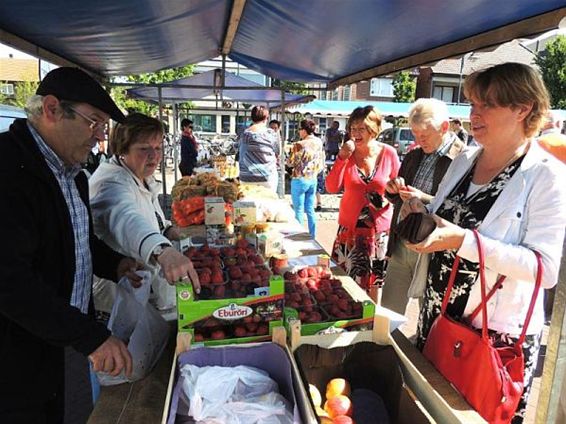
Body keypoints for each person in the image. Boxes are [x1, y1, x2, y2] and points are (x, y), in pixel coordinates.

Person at [403, 63, 566, 423]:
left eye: (487, 104)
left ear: (523, 108)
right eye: (473, 104)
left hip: (489, 337)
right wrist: (421, 209)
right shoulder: (466, 159)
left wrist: (463, 241)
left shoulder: (547, 176)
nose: (474, 114)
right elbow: (450, 213)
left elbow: (545, 269)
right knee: (425, 412)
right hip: (439, 318)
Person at [0, 67, 145, 423]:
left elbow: (77, 240)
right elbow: (10, 280)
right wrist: (90, 336)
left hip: (60, 339)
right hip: (14, 352)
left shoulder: (73, 174)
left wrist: (114, 263)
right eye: (92, 123)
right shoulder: (8, 170)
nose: (98, 138)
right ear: (51, 109)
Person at [89, 113, 200, 313]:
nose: (154, 155)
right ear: (123, 149)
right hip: (116, 299)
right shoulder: (112, 183)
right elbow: (127, 219)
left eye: (158, 148)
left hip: (142, 292)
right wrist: (161, 250)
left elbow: (153, 219)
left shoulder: (140, 176)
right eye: (144, 148)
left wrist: (174, 232)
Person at [381, 98, 465, 315]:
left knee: (430, 317)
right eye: (415, 135)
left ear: (444, 127)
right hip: (403, 242)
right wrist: (392, 190)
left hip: (435, 248)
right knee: (388, 313)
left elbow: (459, 208)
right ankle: (385, 349)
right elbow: (397, 196)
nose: (419, 141)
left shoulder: (463, 159)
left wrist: (423, 198)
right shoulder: (413, 155)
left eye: (424, 135)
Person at [326, 106, 400, 291]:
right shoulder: (347, 155)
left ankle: (373, 320)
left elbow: (399, 188)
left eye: (361, 129)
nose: (356, 133)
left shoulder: (388, 153)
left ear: (373, 130)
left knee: (375, 285)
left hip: (378, 232)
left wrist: (392, 192)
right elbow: (332, 188)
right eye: (353, 128)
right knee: (343, 285)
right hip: (350, 231)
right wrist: (341, 158)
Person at [287, 119, 324, 238]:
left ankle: (299, 235)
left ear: (304, 130)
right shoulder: (319, 142)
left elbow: (290, 163)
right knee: (310, 209)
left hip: (299, 178)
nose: (298, 132)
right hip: (312, 178)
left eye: (299, 129)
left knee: (298, 210)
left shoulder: (299, 144)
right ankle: (312, 235)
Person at [238, 105, 280, 191]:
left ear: (252, 118)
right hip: (267, 176)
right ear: (266, 118)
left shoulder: (245, 134)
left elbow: (240, 151)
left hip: (246, 176)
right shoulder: (271, 133)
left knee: (248, 203)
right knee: (268, 202)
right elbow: (277, 152)